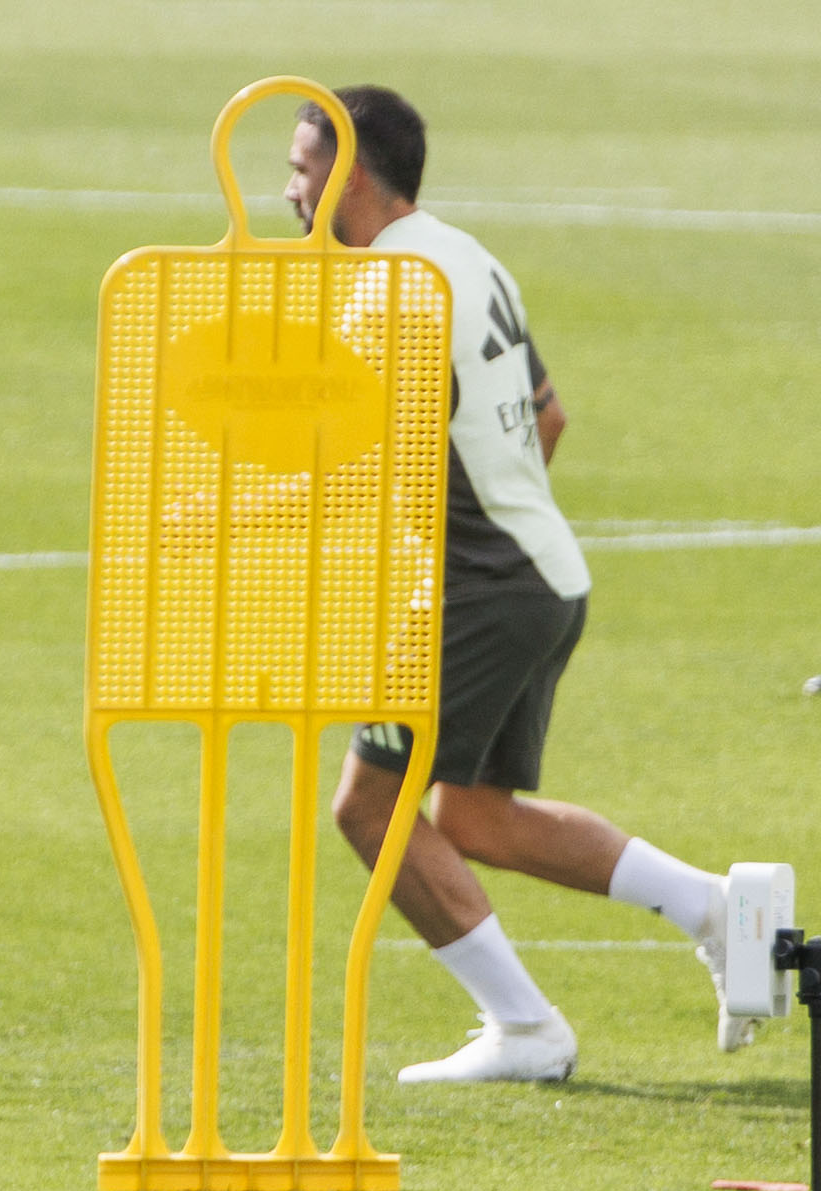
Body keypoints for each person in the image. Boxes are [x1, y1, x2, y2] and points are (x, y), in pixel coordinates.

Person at [290, 87, 765, 1084]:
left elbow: (362, 466)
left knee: (369, 810)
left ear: (350, 176)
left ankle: (525, 1028)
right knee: (472, 817)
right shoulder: (465, 256)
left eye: (302, 170)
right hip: (541, 573)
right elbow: (547, 418)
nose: (290, 191)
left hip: (478, 590)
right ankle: (716, 906)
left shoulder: (387, 289)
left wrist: (223, 518)